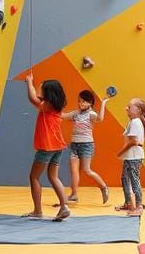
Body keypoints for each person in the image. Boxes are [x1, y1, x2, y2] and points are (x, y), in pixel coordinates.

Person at [23, 74, 70, 221]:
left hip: (47, 147)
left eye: (42, 88)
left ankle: (38, 211)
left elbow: (32, 98)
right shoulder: (56, 105)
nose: (39, 90)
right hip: (58, 147)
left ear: (48, 93)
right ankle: (64, 206)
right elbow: (38, 98)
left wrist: (30, 82)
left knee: (34, 177)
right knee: (53, 176)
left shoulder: (46, 105)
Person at [61, 89, 110, 205]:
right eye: (79, 101)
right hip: (74, 145)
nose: (80, 104)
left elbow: (100, 119)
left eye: (83, 102)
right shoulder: (76, 113)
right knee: (74, 171)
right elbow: (63, 115)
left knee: (87, 170)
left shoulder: (91, 114)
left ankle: (103, 187)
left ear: (90, 103)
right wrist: (53, 105)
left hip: (86, 145)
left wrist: (103, 103)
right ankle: (73, 195)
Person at [116, 98, 145, 216]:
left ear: (138, 110)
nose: (126, 108)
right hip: (130, 157)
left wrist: (120, 152)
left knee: (134, 180)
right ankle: (128, 202)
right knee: (124, 178)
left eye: (129, 107)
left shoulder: (135, 122)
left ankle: (139, 206)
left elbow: (133, 141)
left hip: (134, 157)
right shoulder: (133, 122)